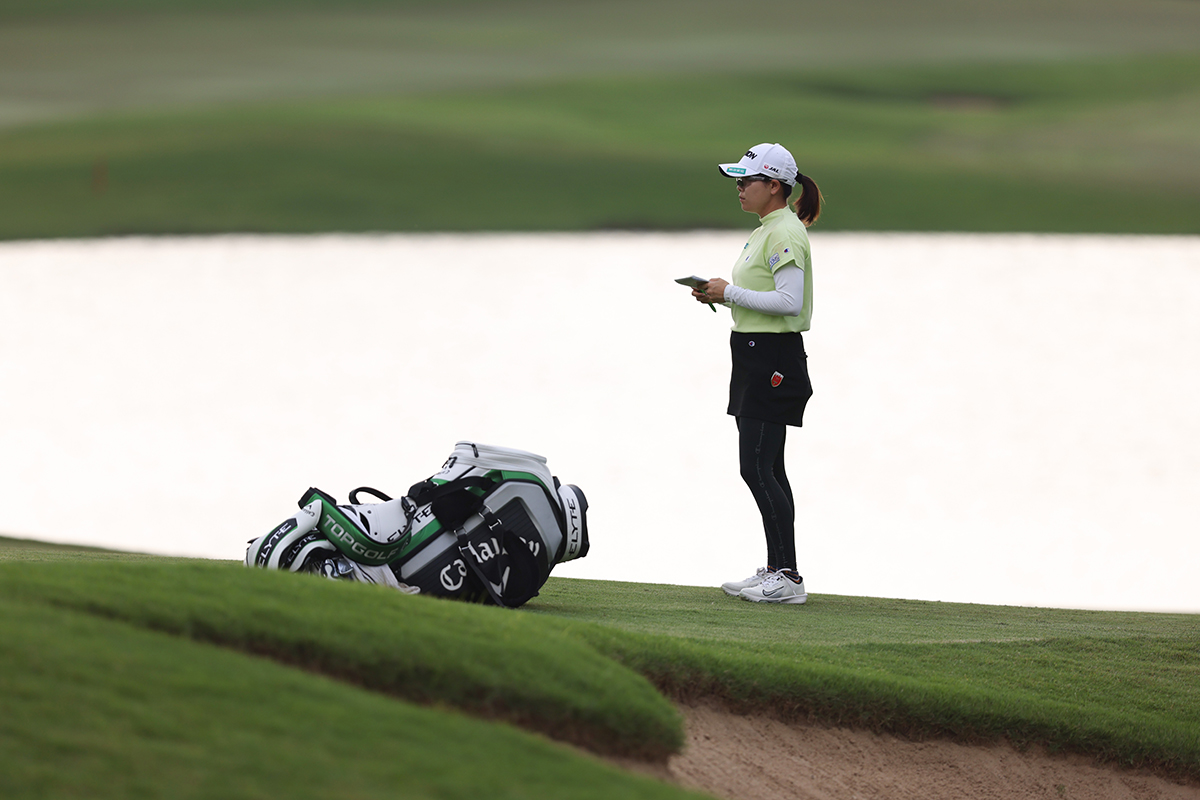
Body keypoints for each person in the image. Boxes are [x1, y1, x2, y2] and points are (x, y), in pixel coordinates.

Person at [692, 142, 822, 605]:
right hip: (754, 354)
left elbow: (789, 301)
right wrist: (720, 294)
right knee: (769, 467)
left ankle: (786, 577)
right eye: (738, 182)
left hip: (773, 360)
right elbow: (758, 293)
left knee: (757, 467)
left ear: (774, 186)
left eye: (747, 181)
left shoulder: (783, 231)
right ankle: (777, 570)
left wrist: (730, 294)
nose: (740, 189)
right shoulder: (768, 228)